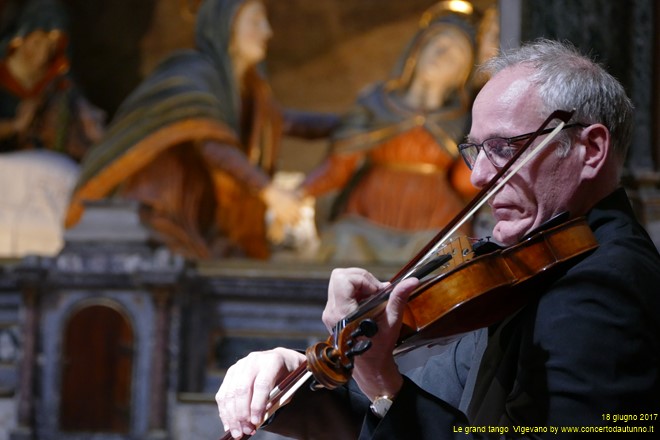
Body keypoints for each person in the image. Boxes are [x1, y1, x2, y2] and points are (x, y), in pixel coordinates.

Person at [215, 39, 660, 438]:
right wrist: (290, 384)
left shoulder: (603, 285)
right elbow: (422, 416)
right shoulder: (527, 276)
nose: (480, 176)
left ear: (592, 150)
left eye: (506, 147)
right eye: (475, 150)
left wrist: (384, 384)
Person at [65, 0, 338, 260]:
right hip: (160, 212)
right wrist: (270, 192)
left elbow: (281, 122)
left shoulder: (244, 90)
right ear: (226, 26)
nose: (267, 31)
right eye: (255, 21)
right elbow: (211, 143)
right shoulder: (193, 73)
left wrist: (357, 124)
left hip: (195, 220)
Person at [297, 4, 484, 264]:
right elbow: (338, 168)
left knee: (445, 258)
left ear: (460, 77)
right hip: (368, 216)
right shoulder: (375, 102)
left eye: (456, 55)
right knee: (344, 244)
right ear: (417, 50)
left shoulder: (463, 119)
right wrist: (298, 194)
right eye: (438, 44)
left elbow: (466, 182)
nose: (442, 55)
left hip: (435, 222)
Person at [0, 0, 104, 159]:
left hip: (46, 161)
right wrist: (16, 126)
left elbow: (87, 122)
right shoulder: (3, 70)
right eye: (37, 43)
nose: (43, 55)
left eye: (51, 47)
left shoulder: (57, 78)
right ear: (21, 39)